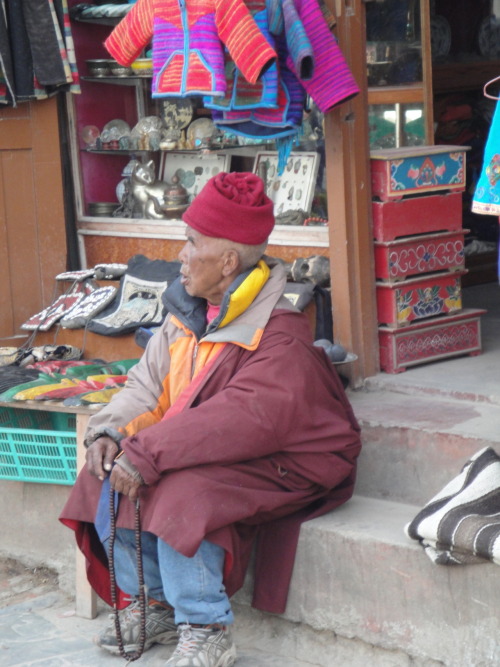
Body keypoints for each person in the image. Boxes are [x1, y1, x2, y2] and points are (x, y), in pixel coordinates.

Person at [60, 171, 362, 667]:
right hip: (208, 443)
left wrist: (150, 451)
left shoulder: (278, 333)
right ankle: (157, 601)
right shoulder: (187, 315)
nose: (180, 255)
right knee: (104, 476)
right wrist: (114, 431)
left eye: (190, 242)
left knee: (184, 491)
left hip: (291, 459)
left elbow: (241, 419)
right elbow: (146, 386)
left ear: (226, 262)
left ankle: (206, 625)